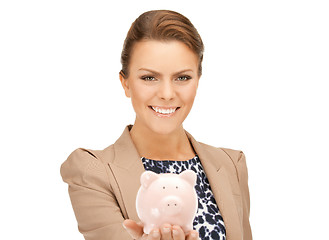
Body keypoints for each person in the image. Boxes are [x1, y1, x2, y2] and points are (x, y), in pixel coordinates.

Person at [60, 9, 252, 240]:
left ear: (198, 81)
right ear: (125, 83)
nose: (167, 94)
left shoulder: (231, 165)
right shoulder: (92, 171)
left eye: (182, 78)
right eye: (149, 77)